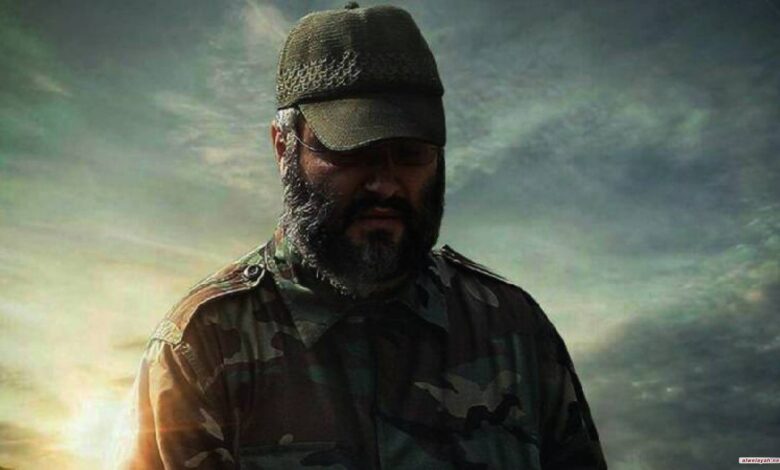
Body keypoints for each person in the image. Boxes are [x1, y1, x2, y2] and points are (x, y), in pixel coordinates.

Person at [116, 3, 607, 469]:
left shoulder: (514, 331)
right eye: (350, 152)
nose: (385, 185)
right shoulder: (203, 348)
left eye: (410, 154)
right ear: (283, 147)